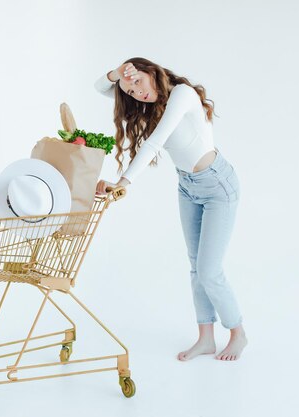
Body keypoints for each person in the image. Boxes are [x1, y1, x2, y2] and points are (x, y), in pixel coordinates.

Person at [94, 57, 247, 361]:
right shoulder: (151, 97)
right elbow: (101, 88)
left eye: (138, 82)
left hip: (218, 186)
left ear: (151, 72)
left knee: (209, 270)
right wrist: (118, 74)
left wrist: (124, 181)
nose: (138, 93)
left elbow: (155, 142)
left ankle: (238, 333)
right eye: (131, 92)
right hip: (188, 186)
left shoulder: (182, 94)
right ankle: (205, 338)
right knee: (196, 267)